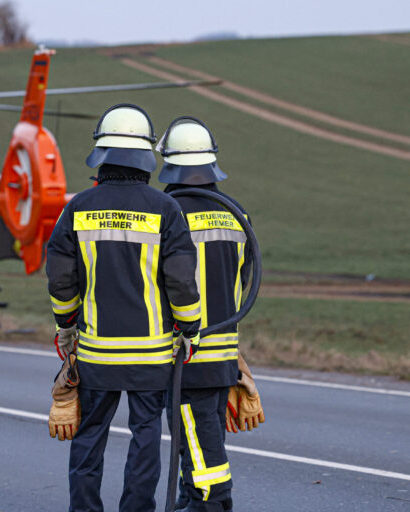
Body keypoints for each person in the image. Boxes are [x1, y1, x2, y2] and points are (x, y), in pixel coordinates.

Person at [46, 104, 201, 512]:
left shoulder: (77, 207)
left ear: (103, 155)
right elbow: (182, 282)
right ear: (145, 157)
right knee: (146, 436)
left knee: (89, 436)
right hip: (151, 357)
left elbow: (61, 279)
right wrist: (190, 330)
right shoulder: (166, 210)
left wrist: (65, 324)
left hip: (96, 353)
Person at [156, 116, 253, 512]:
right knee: (201, 435)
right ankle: (192, 499)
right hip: (224, 349)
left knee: (196, 438)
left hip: (186, 348)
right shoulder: (236, 213)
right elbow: (246, 275)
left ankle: (213, 503)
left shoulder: (168, 211)